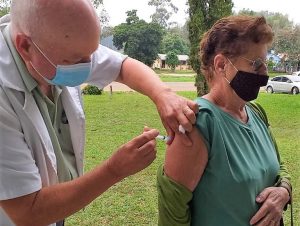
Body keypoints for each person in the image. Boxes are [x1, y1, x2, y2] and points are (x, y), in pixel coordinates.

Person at [0, 0, 198, 225]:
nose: (88, 66)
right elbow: (27, 211)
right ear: (25, 47)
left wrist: (164, 94)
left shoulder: (55, 45)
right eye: (75, 60)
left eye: (91, 55)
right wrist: (114, 170)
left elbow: (122, 66)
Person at [157, 15, 292, 226]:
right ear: (221, 65)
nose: (265, 74)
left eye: (265, 64)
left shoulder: (256, 113)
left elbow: (279, 166)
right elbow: (172, 216)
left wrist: (284, 190)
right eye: (257, 64)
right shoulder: (197, 123)